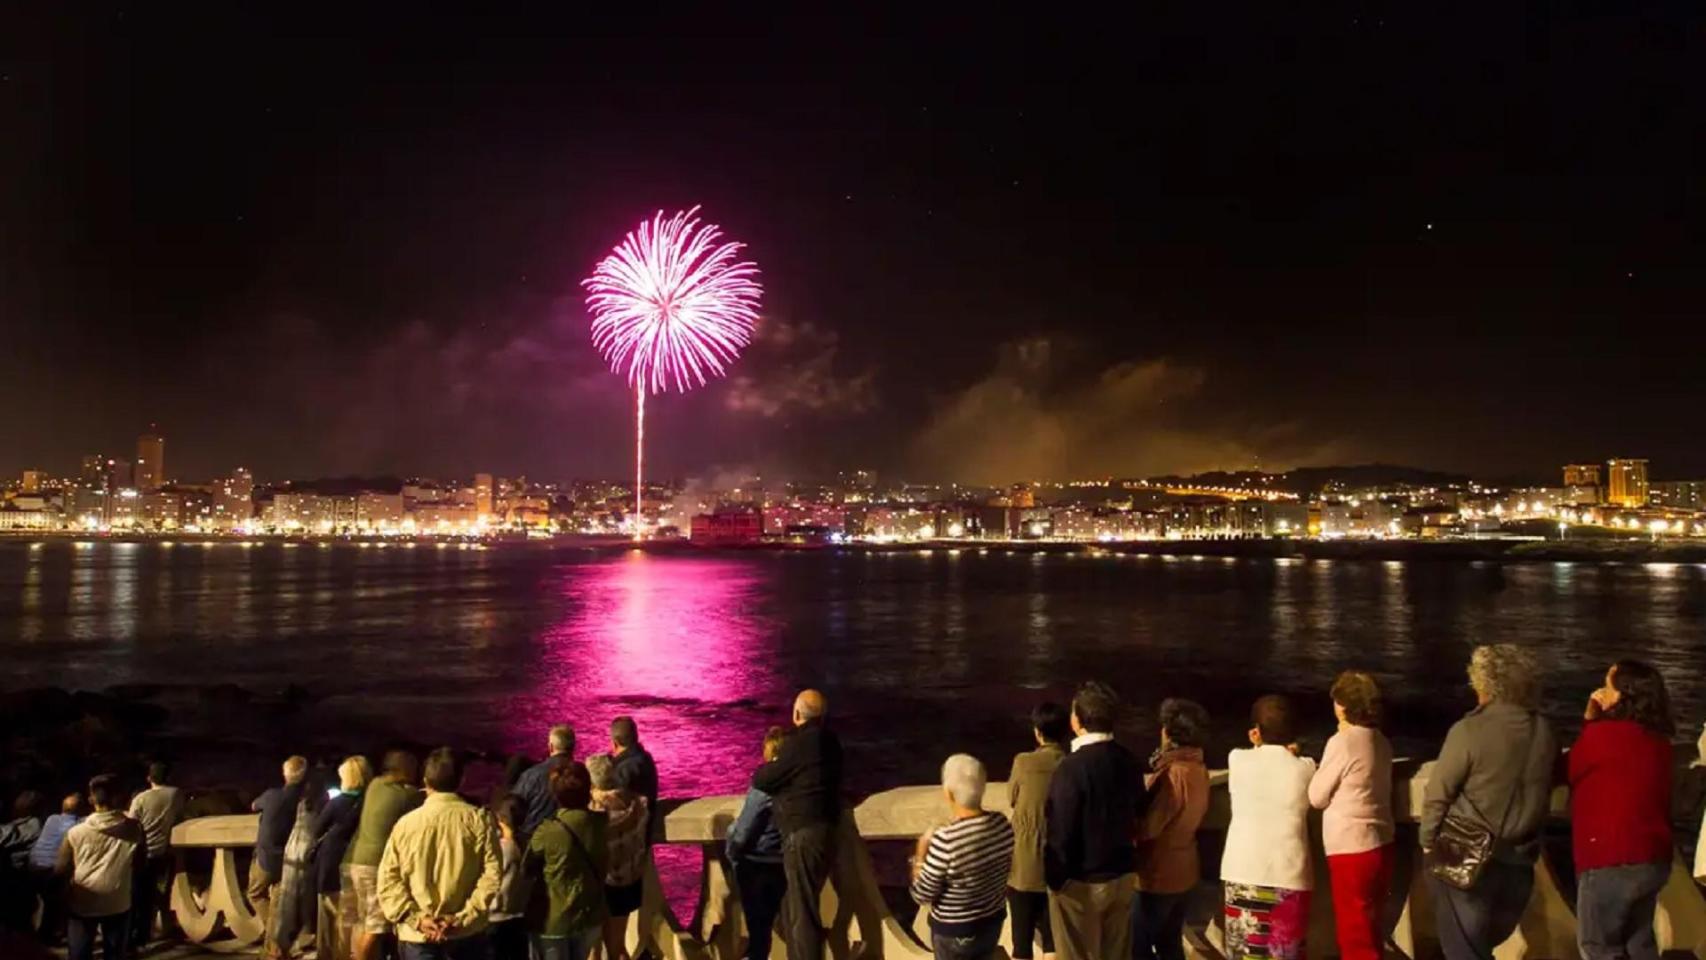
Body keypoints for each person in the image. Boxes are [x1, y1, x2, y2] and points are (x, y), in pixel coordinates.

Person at [1421, 644, 1557, 960]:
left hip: (1467, 859)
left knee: (1464, 950)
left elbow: (1438, 792)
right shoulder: (1545, 731)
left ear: (1484, 685)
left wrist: (1428, 842)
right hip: (1520, 860)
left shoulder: (1469, 729)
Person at [1569, 659, 1675, 960]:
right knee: (1639, 942)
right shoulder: (1659, 741)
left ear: (1624, 695)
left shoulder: (1603, 736)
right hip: (1653, 858)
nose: (1600, 692)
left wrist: (1590, 721)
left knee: (1599, 946)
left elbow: (1571, 768)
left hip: (1610, 856)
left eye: (1607, 686)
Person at [1043, 681, 1141, 960]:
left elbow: (1061, 829)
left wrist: (1055, 879)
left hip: (1082, 881)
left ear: (1077, 721)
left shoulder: (1071, 768)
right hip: (1122, 876)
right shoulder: (1129, 761)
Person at [377, 747, 502, 960]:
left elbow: (388, 879)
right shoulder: (479, 821)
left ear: (425, 781)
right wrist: (463, 917)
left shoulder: (406, 824)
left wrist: (416, 918)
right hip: (466, 935)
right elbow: (492, 876)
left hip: (418, 936)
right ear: (461, 780)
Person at [751, 689, 845, 960]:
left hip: (801, 833)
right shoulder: (832, 742)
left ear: (796, 714)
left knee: (801, 912)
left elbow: (764, 779)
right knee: (801, 906)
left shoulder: (798, 744)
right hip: (827, 828)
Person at [1222, 695, 1316, 960]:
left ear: (1256, 732)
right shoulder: (1305, 769)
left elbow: (1255, 756)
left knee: (1244, 955)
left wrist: (1258, 744)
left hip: (1243, 872)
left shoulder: (1237, 760)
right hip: (1290, 876)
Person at [1308, 671, 1395, 960]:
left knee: (1354, 935)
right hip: (1381, 842)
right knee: (1371, 929)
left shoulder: (1343, 742)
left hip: (1351, 848)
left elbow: (1316, 797)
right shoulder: (1381, 741)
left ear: (1343, 705)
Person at [909, 754, 1015, 960]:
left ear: (949, 793)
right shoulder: (1002, 825)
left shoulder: (946, 839)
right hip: (992, 923)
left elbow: (921, 895)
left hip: (954, 933)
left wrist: (919, 856)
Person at [1132, 698, 1211, 960]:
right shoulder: (1198, 768)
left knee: (1138, 946)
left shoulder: (1172, 775)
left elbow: (1149, 827)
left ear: (1169, 733)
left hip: (1158, 875)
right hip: (1186, 869)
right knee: (1169, 943)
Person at [524, 763, 608, 960]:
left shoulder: (549, 830)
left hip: (554, 918)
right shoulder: (601, 824)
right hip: (589, 913)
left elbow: (527, 867)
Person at [57, 775, 145, 960]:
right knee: (114, 954)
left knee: (79, 954)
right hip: (118, 900)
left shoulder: (74, 832)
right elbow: (139, 865)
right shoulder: (134, 829)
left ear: (91, 800)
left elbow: (61, 869)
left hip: (83, 901)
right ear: (119, 797)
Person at [1007, 703, 1068, 960]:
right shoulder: (1070, 764)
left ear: (1037, 732)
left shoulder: (1023, 762)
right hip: (1059, 862)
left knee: (1022, 942)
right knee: (1054, 941)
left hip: (1023, 863)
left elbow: (1012, 798)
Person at [349, 750, 422, 960]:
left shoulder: (374, 785)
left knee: (366, 922)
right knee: (376, 926)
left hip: (358, 861)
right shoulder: (407, 795)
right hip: (376, 865)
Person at [726, 727, 788, 960]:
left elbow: (744, 830)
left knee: (758, 932)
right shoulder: (795, 780)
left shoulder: (766, 781)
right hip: (784, 860)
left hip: (758, 863)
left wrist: (732, 852)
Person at [588, 754, 649, 960]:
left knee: (593, 950)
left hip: (602, 883)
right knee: (618, 946)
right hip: (630, 880)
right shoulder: (639, 804)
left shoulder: (594, 811)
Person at [312, 756, 372, 960]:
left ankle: (328, 956)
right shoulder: (369, 803)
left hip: (331, 864)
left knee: (329, 917)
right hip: (359, 862)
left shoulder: (337, 803)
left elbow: (317, 829)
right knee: (356, 918)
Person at [270, 766, 329, 959]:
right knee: (306, 899)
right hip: (308, 851)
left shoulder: (299, 802)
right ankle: (301, 939)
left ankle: (281, 945)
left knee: (288, 901)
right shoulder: (321, 804)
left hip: (292, 850)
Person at [128, 760, 186, 950]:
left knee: (136, 896)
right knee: (157, 895)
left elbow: (131, 825)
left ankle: (132, 938)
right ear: (168, 777)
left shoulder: (140, 799)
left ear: (149, 778)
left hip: (142, 854)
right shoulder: (176, 794)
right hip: (164, 852)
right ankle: (146, 935)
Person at [251, 756, 310, 935]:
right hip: (292, 859)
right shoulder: (306, 801)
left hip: (268, 858)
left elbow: (254, 805)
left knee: (255, 893)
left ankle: (274, 936)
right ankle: (280, 940)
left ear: (285, 773)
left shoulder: (272, 796)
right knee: (279, 901)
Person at [29, 793, 85, 945]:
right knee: (55, 902)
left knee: (46, 902)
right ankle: (48, 936)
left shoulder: (51, 818)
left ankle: (43, 932)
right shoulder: (79, 825)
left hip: (34, 865)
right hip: (51, 869)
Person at [489, 795, 531, 960]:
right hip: (521, 917)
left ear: (499, 817)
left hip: (497, 918)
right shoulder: (528, 843)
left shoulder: (501, 849)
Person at [514, 726, 576, 834]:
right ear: (573, 747)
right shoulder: (582, 774)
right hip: (570, 838)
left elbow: (514, 808)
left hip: (534, 838)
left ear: (551, 747)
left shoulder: (531, 775)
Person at [0, 791, 42, 934]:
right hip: (18, 878)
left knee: (18, 921)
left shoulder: (32, 825)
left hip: (19, 878)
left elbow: (6, 837)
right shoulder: (27, 824)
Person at [609, 718, 660, 827]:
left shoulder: (623, 770)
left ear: (615, 743)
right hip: (646, 826)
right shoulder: (646, 758)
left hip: (628, 833)